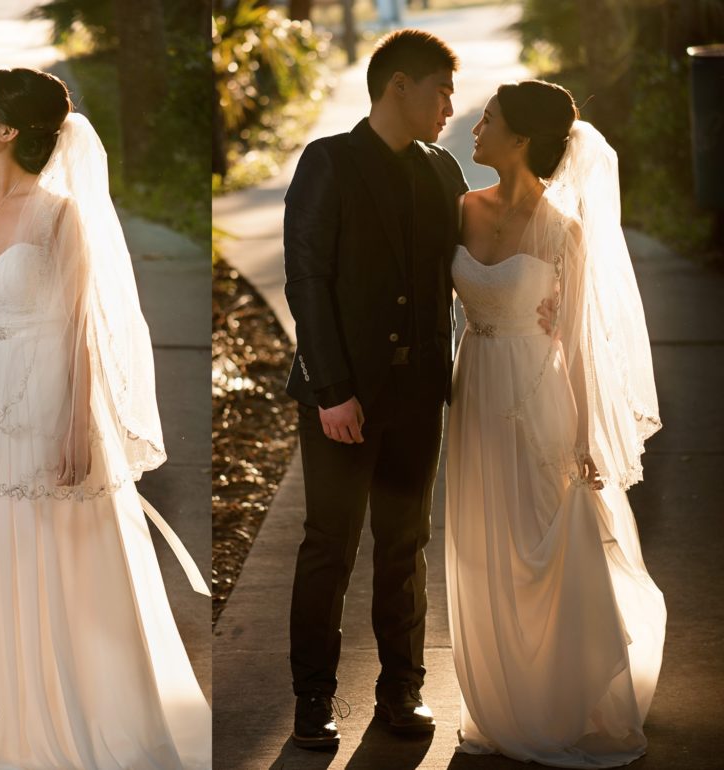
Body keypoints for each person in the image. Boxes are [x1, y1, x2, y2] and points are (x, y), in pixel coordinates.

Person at [0, 68, 212, 770]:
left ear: (11, 130)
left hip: (55, 397)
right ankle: (10, 725)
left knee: (62, 565)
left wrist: (80, 429)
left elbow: (85, 328)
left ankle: (82, 719)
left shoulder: (63, 216)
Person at [446, 79, 665, 766]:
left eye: (487, 122)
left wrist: (582, 440)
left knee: (543, 542)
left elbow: (575, 340)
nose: (474, 130)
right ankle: (503, 697)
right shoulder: (460, 209)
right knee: (483, 545)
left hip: (536, 397)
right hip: (474, 391)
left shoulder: (565, 231)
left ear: (520, 139)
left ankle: (559, 697)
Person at [282, 29, 468, 748]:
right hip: (343, 396)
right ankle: (313, 699)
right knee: (330, 545)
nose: (450, 104)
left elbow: (471, 263)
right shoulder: (329, 161)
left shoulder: (442, 170)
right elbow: (307, 280)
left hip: (419, 395)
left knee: (405, 543)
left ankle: (403, 690)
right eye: (441, 90)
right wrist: (331, 390)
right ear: (398, 85)